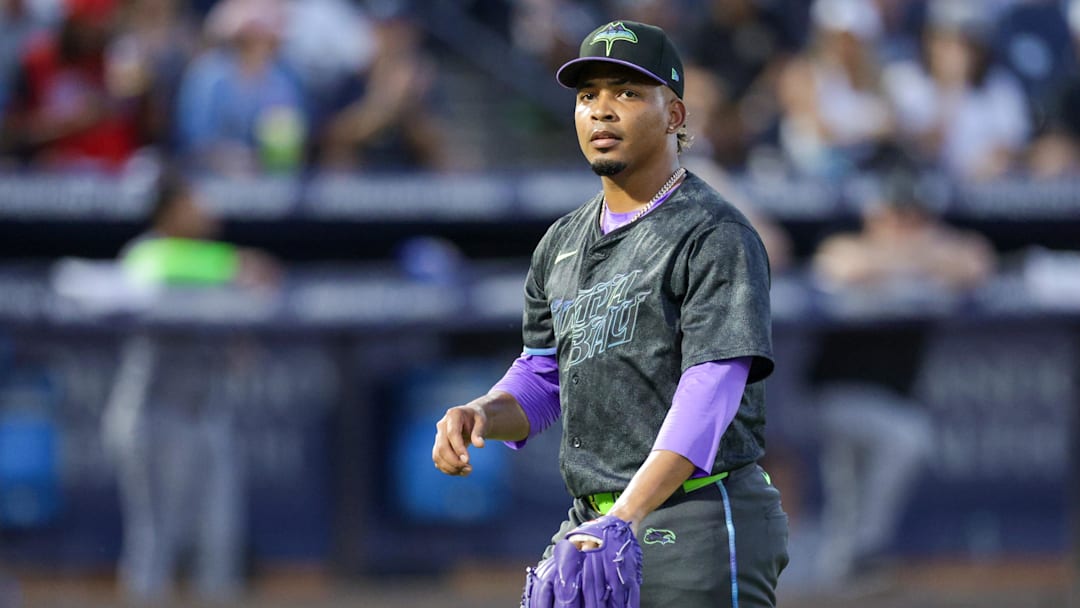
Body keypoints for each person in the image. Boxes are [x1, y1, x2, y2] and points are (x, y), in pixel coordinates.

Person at [432, 20, 789, 607]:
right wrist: (480, 414)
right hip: (594, 519)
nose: (602, 111)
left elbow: (712, 389)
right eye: (587, 95)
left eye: (626, 93)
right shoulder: (560, 243)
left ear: (674, 115)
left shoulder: (712, 231)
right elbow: (543, 376)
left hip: (698, 512)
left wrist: (625, 514)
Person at [808, 167, 996, 585]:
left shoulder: (940, 254)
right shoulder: (849, 245)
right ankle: (858, 557)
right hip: (836, 391)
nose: (904, 224)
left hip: (890, 395)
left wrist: (917, 254)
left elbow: (976, 261)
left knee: (858, 485)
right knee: (901, 444)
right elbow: (841, 265)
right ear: (876, 216)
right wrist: (910, 256)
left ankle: (845, 571)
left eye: (913, 217)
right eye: (896, 215)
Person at [102, 171, 278, 602]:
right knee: (156, 537)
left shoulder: (214, 264)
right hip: (152, 415)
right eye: (193, 203)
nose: (206, 210)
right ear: (169, 212)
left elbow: (248, 326)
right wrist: (234, 265)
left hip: (208, 413)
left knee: (220, 542)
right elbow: (152, 267)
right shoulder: (148, 253)